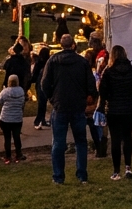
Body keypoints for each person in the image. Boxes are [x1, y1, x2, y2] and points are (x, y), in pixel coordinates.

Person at [41, 33, 96, 185]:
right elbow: (90, 83)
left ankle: (58, 176)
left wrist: (52, 98)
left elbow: (44, 83)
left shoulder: (53, 61)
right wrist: (88, 96)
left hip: (60, 106)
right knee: (81, 142)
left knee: (58, 143)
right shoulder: (82, 62)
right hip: (78, 106)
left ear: (60, 44)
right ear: (73, 45)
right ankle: (82, 175)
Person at [98, 44, 132, 180]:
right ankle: (128, 168)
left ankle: (116, 171)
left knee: (115, 139)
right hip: (129, 108)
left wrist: (107, 100)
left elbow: (102, 91)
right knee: (127, 137)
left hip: (113, 108)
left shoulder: (108, 71)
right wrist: (131, 94)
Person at [0, 74, 27, 164]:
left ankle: (8, 156)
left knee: (7, 137)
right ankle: (18, 153)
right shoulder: (21, 91)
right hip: (17, 119)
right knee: (17, 137)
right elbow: (22, 102)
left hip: (5, 119)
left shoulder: (5, 92)